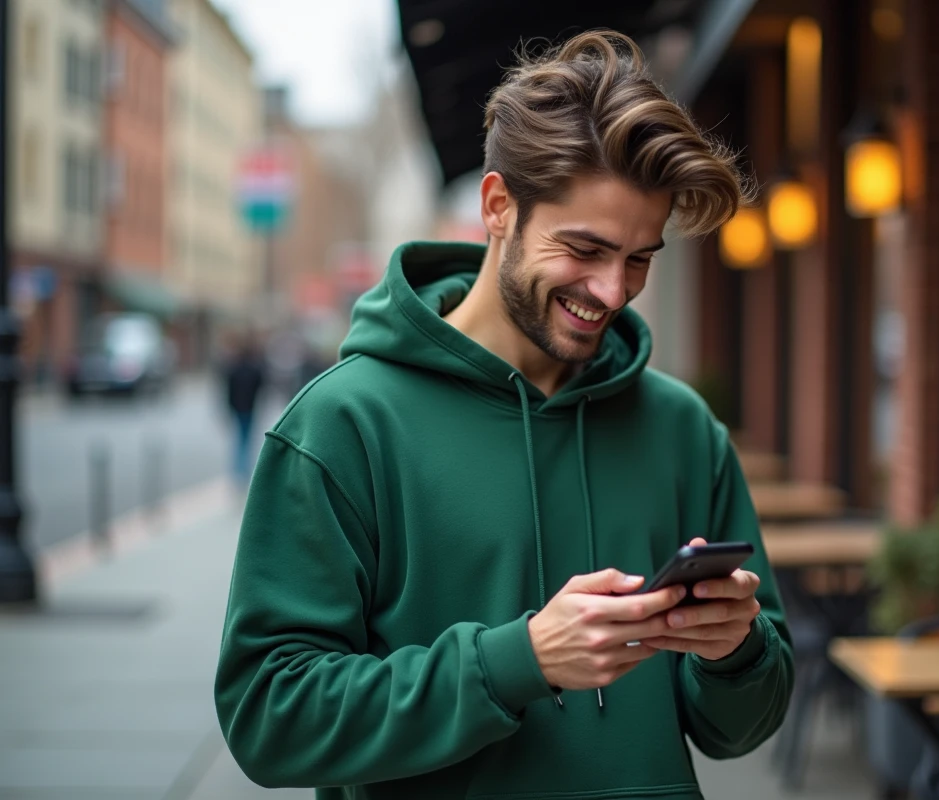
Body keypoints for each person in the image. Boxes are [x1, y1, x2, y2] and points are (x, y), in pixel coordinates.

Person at [214, 30, 794, 798]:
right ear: (497, 206)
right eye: (584, 249)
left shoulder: (684, 429)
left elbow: (741, 728)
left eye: (639, 258)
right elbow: (269, 718)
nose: (614, 291)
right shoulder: (344, 424)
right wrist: (517, 661)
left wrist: (734, 652)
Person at [222, 335, 265, 486]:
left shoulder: (233, 370)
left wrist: (228, 408)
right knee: (247, 439)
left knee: (239, 439)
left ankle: (238, 470)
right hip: (250, 408)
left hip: (238, 408)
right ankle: (244, 470)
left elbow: (228, 391)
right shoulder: (255, 369)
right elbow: (261, 388)